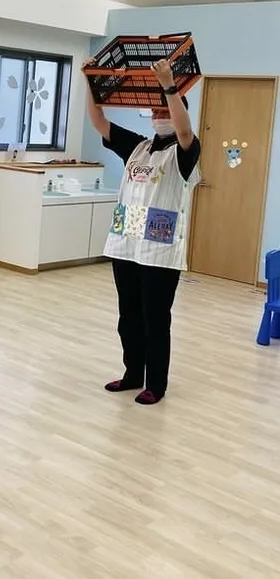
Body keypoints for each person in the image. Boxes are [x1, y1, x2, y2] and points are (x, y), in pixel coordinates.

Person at [83, 58, 201, 405]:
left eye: (163, 108)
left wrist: (169, 87)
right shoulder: (137, 146)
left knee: (155, 318)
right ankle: (133, 373)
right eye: (153, 110)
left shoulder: (185, 151)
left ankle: (156, 384)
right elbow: (99, 121)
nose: (157, 114)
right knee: (128, 316)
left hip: (160, 251)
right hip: (126, 244)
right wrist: (90, 82)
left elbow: (183, 131)